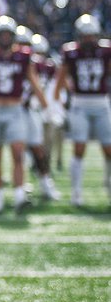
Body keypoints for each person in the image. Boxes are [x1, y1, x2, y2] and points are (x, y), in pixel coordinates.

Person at [0, 16, 48, 214]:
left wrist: (45, 104)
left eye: (7, 35)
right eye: (1, 35)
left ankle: (20, 196)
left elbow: (33, 80)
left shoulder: (23, 56)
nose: (5, 38)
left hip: (15, 110)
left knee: (18, 153)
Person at [54, 14, 111, 207]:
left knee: (109, 148)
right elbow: (61, 77)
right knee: (79, 148)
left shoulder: (105, 51)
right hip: (80, 102)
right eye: (85, 36)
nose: (88, 39)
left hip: (101, 102)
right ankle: (76, 192)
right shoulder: (71, 52)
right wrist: (58, 100)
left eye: (91, 35)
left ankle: (109, 183)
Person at [25, 33, 60, 201]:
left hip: (33, 110)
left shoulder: (46, 66)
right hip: (19, 108)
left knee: (39, 150)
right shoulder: (21, 61)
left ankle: (45, 183)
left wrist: (49, 108)